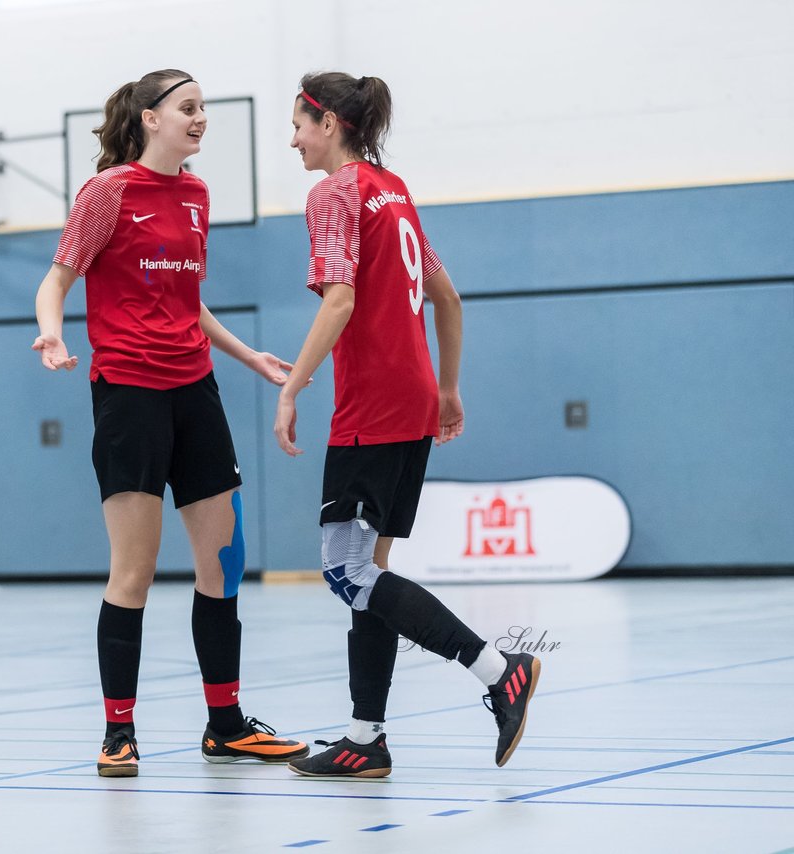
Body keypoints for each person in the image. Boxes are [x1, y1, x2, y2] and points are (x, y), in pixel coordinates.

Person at [33, 69, 309, 778]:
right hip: (128, 392)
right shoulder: (109, 191)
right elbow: (59, 277)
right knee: (135, 570)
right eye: (188, 108)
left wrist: (247, 356)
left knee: (223, 562)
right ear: (150, 118)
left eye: (203, 110)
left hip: (195, 389)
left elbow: (189, 303)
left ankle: (226, 724)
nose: (200, 119)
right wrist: (52, 334)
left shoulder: (196, 195)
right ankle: (117, 731)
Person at [274, 72, 540, 777]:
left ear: (329, 123)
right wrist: (446, 386)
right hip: (413, 398)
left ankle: (496, 670)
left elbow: (338, 302)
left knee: (344, 572)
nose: (293, 139)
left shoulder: (335, 191)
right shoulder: (394, 191)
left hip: (374, 405)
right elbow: (448, 297)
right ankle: (366, 738)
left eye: (299, 124)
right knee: (371, 571)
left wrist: (291, 389)